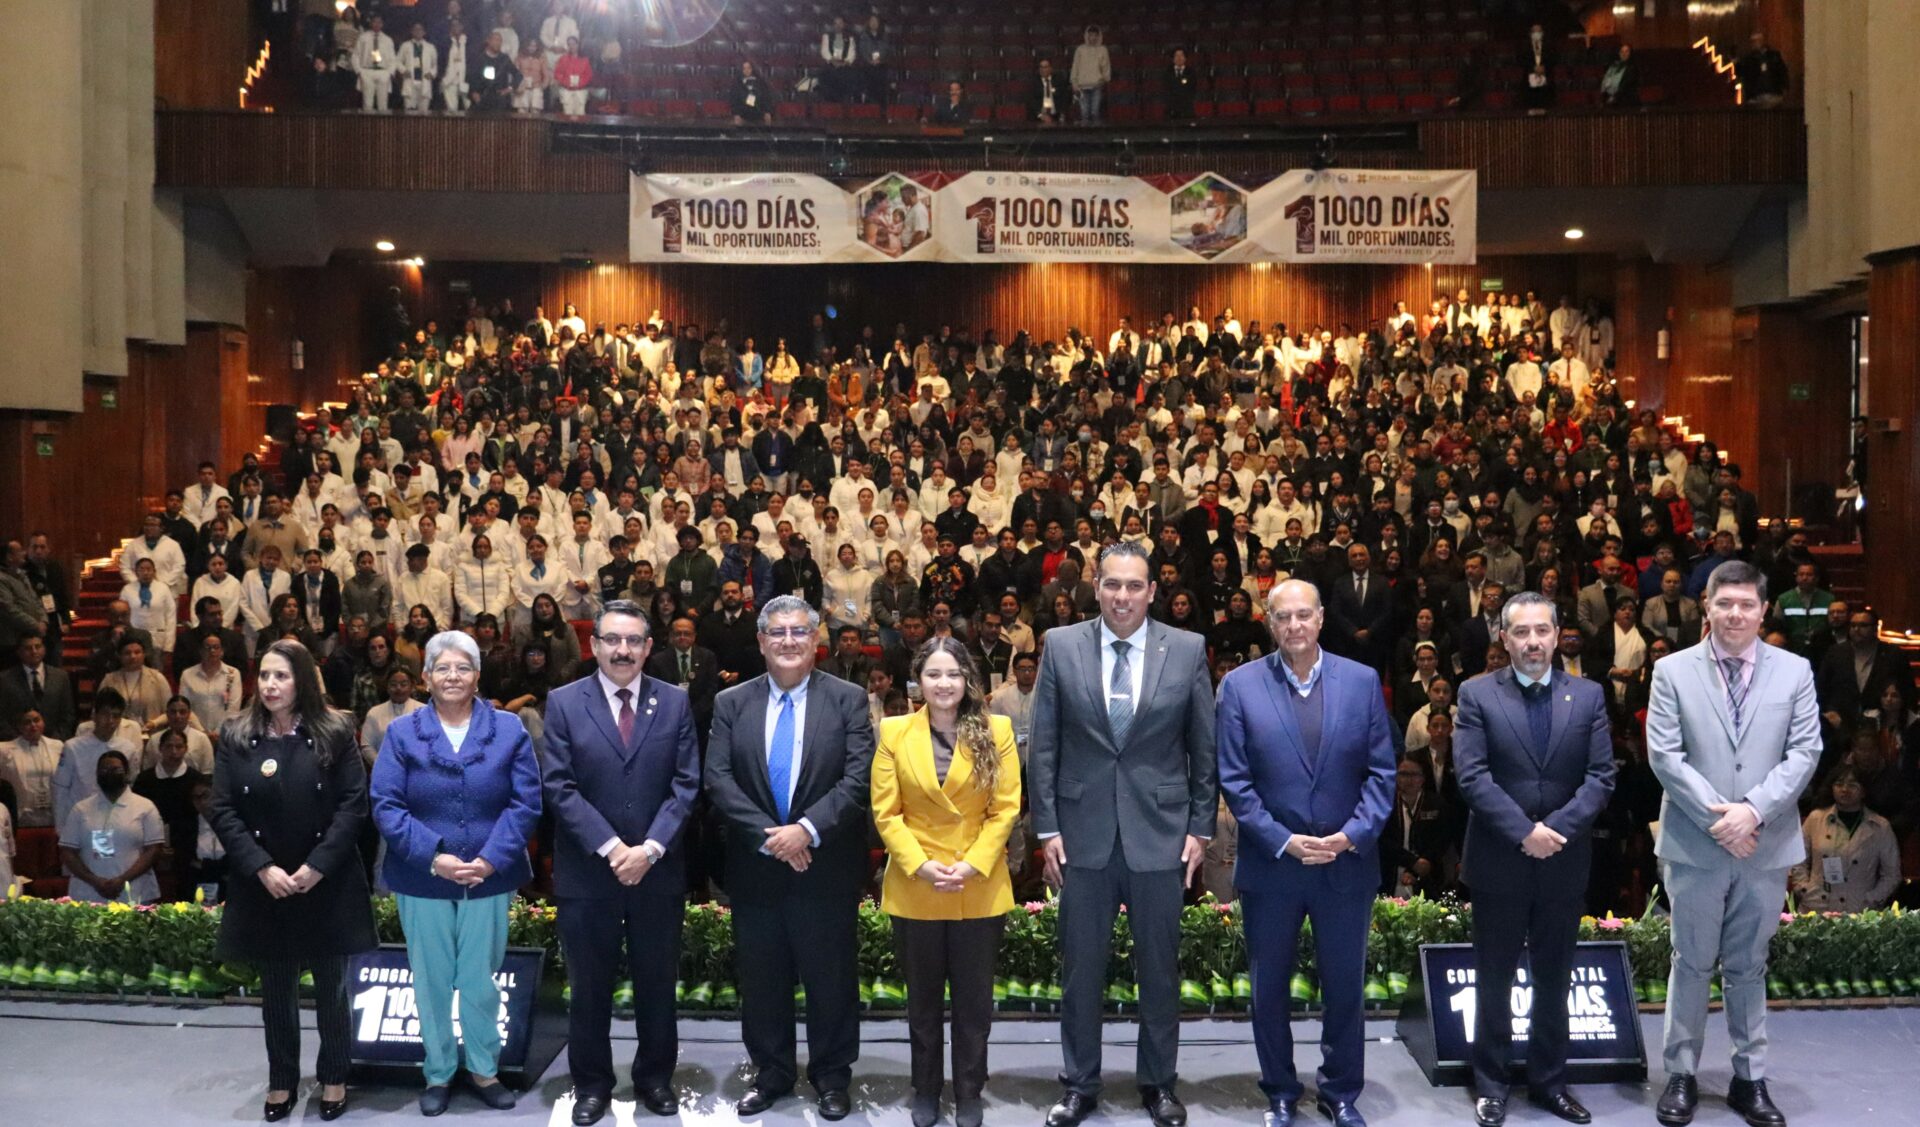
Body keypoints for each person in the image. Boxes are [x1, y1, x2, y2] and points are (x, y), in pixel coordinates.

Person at [1030, 540, 1217, 1127]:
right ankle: (1079, 1084)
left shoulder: (1186, 649)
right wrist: (1047, 827)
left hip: (1161, 835)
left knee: (1159, 971)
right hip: (1080, 834)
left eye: (1135, 585)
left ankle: (1159, 1083)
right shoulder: (1061, 645)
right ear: (1096, 587)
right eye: (1112, 583)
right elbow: (1044, 745)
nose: (1122, 596)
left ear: (1152, 591)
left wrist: (1201, 829)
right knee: (1081, 970)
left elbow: (1204, 747)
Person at [1214, 580, 1394, 1127]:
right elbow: (1235, 781)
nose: (1294, 625)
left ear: (1320, 619)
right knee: (1269, 988)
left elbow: (1382, 773)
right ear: (1269, 623)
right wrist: (1283, 840)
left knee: (1345, 987)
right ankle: (1280, 1091)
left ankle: (1340, 1092)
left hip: (1345, 862)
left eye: (1303, 615)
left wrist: (1351, 835)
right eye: (1283, 617)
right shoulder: (1239, 686)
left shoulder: (1362, 681)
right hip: (1273, 866)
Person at [1646, 561, 1818, 1127]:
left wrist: (1753, 812)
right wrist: (1720, 820)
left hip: (1764, 844)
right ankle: (1681, 1074)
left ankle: (1750, 1078)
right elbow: (1665, 755)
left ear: (1763, 610)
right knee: (1690, 962)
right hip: (1696, 844)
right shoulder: (1671, 670)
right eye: (1725, 604)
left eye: (1747, 605)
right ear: (1708, 607)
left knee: (1749, 965)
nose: (1735, 614)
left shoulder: (1795, 671)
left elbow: (1805, 752)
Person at [704, 594, 875, 1120]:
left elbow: (858, 779)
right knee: (762, 980)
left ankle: (832, 1076)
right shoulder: (731, 703)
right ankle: (772, 1073)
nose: (788, 641)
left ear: (816, 639)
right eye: (777, 632)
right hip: (756, 869)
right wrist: (775, 838)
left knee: (831, 979)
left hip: (826, 868)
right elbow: (718, 779)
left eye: (799, 631)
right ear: (760, 642)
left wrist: (806, 831)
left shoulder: (848, 699)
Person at [1453, 592, 1615, 1127]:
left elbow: (1601, 778)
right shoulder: (1476, 693)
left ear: (1557, 633)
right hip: (1499, 860)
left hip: (1563, 861)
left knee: (1554, 979)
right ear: (1504, 638)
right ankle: (1491, 1084)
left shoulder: (1588, 695)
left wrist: (1555, 832)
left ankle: (1550, 1083)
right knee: (1493, 979)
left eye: (1542, 630)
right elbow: (1471, 776)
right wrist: (1525, 832)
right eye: (1521, 632)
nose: (1532, 642)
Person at [542, 600, 701, 1126]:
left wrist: (649, 849)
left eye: (633, 640)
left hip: (657, 871)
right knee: (589, 988)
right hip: (590, 874)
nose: (623, 650)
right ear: (594, 645)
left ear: (649, 647)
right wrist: (613, 848)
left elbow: (686, 784)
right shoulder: (564, 702)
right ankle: (591, 1085)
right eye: (612, 639)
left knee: (657, 983)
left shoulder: (674, 701)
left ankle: (655, 1078)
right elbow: (558, 786)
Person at [371, 629, 541, 1115]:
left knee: (480, 978)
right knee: (430, 980)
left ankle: (485, 1069)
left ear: (477, 676)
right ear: (425, 678)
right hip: (422, 877)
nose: (452, 676)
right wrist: (434, 857)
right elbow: (385, 804)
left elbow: (526, 802)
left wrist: (491, 858)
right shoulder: (401, 733)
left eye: (462, 667)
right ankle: (439, 1071)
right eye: (442, 668)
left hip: (488, 876)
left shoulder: (508, 728)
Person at [208, 640, 375, 1123]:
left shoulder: (336, 729)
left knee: (332, 989)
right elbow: (222, 809)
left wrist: (317, 866)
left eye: (280, 676)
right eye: (264, 675)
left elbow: (353, 804)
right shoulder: (236, 733)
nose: (270, 685)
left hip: (325, 880)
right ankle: (281, 1079)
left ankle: (335, 1075)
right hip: (267, 884)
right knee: (277, 991)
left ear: (302, 680)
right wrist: (262, 867)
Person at [871, 637, 1021, 1127]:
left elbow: (1006, 808)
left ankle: (970, 1089)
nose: (944, 683)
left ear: (967, 679)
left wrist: (973, 863)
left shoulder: (996, 729)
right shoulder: (894, 731)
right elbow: (886, 812)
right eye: (933, 674)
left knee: (974, 1005)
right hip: (917, 884)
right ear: (918, 681)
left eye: (953, 674)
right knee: (923, 1003)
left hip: (978, 883)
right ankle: (927, 1089)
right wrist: (920, 865)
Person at [1788, 763, 1901, 913]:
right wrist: (1803, 889)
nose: (1844, 789)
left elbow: (1892, 874)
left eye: (1853, 785)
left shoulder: (1880, 826)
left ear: (1864, 791)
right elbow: (1798, 859)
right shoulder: (1815, 819)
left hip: (1859, 909)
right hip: (1816, 905)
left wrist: (1872, 898)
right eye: (1839, 784)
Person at [57, 746, 164, 904]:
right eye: (104, 769)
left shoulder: (145, 806)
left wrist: (123, 880)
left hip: (135, 891)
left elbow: (154, 850)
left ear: (127, 773)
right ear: (96, 774)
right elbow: (67, 851)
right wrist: (95, 881)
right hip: (88, 893)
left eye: (115, 769)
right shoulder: (80, 809)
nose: (109, 773)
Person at [351, 12, 396, 113]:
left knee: (383, 104)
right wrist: (359, 71)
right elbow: (356, 55)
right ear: (371, 23)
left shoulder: (388, 39)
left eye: (379, 22)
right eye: (374, 22)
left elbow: (393, 58)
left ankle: (382, 122)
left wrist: (389, 73)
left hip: (383, 71)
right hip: (367, 71)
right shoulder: (363, 37)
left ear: (382, 24)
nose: (377, 24)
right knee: (367, 103)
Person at [1069, 26, 1111, 125]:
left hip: (1097, 86)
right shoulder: (1080, 50)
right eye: (1091, 35)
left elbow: (1106, 67)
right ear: (1087, 36)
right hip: (1082, 87)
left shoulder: (1103, 50)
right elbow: (1075, 66)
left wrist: (1104, 79)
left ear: (1099, 36)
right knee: (1084, 114)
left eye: (1095, 35)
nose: (1093, 38)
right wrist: (1074, 82)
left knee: (1095, 113)